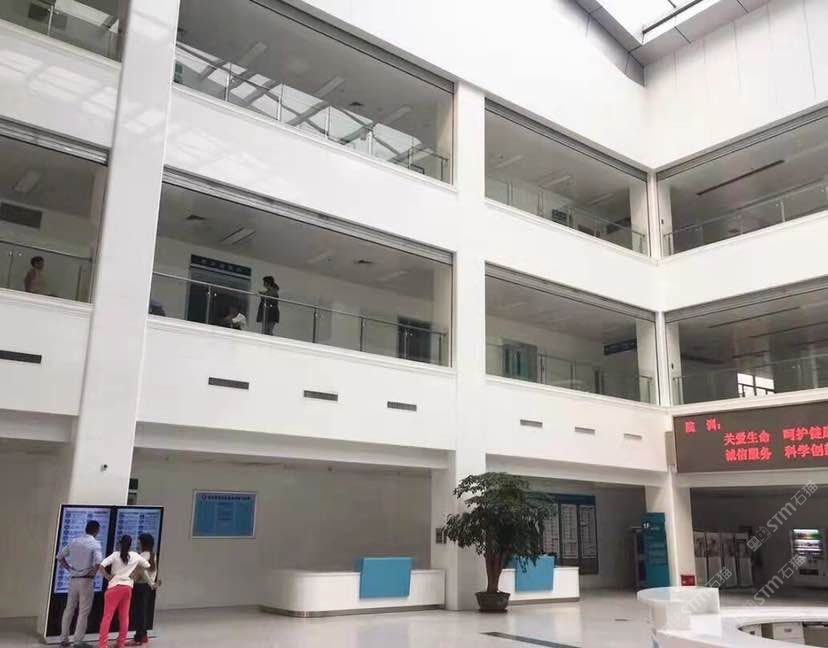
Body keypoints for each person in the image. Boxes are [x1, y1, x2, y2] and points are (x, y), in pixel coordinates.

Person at [97, 536, 150, 648]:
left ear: (120, 544)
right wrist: (134, 573)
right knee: (124, 617)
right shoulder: (135, 555)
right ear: (131, 545)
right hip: (127, 588)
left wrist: (107, 576)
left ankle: (102, 644)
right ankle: (120, 643)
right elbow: (147, 565)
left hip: (114, 587)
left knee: (107, 617)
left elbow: (101, 566)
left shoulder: (115, 555)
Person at [57, 520, 103, 648]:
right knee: (83, 611)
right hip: (86, 580)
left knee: (69, 609)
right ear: (96, 530)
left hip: (73, 579)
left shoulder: (74, 541)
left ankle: (64, 639)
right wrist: (93, 573)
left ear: (86, 529)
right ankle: (77, 641)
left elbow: (59, 556)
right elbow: (99, 562)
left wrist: (69, 568)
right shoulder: (95, 544)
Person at [126, 534, 158, 646]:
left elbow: (139, 573)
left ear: (143, 544)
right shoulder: (153, 555)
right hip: (147, 587)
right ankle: (143, 635)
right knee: (143, 612)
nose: (138, 544)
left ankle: (138, 638)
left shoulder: (141, 557)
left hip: (140, 587)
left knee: (139, 613)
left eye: (139, 542)